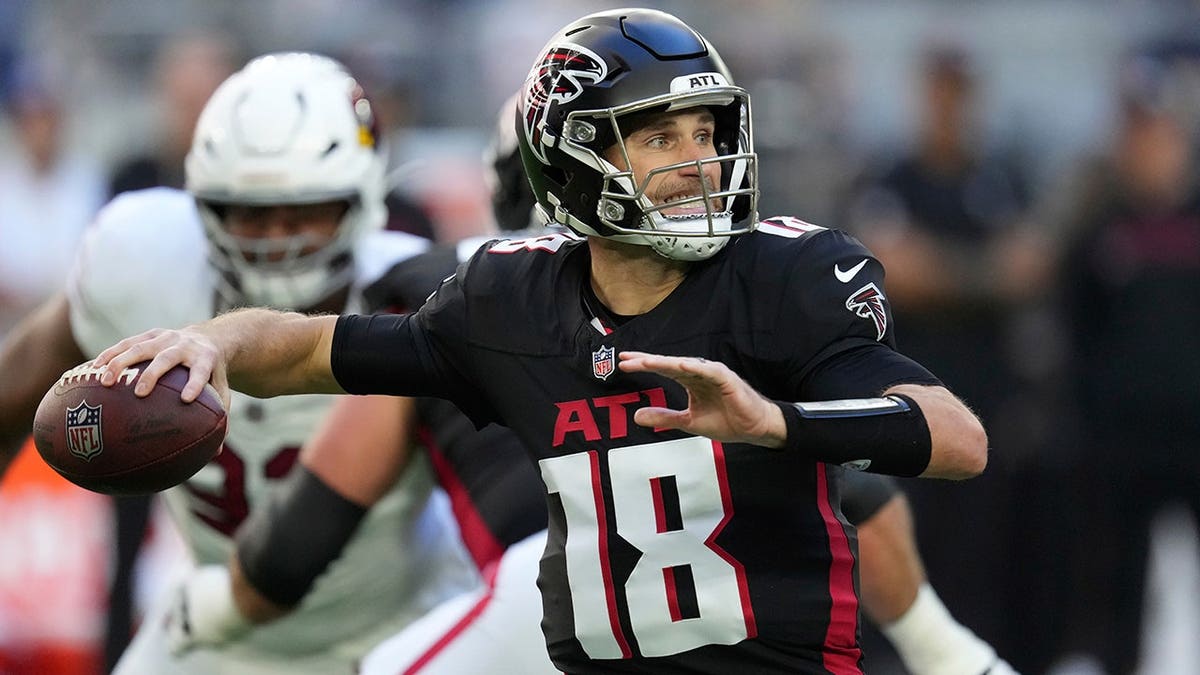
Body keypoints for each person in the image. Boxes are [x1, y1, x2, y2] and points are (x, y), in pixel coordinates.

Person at [92, 10, 986, 674]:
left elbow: (954, 437)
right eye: (661, 137)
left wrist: (779, 423)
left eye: (707, 131)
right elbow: (308, 348)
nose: (700, 161)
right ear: (571, 161)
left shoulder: (787, 275)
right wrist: (209, 343)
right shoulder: (507, 301)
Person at [0, 52, 479, 674]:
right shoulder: (140, 258)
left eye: (304, 210)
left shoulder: (422, 296)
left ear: (357, 200)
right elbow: (17, 382)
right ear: (204, 203)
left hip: (403, 627)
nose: (278, 235)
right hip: (216, 630)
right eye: (250, 212)